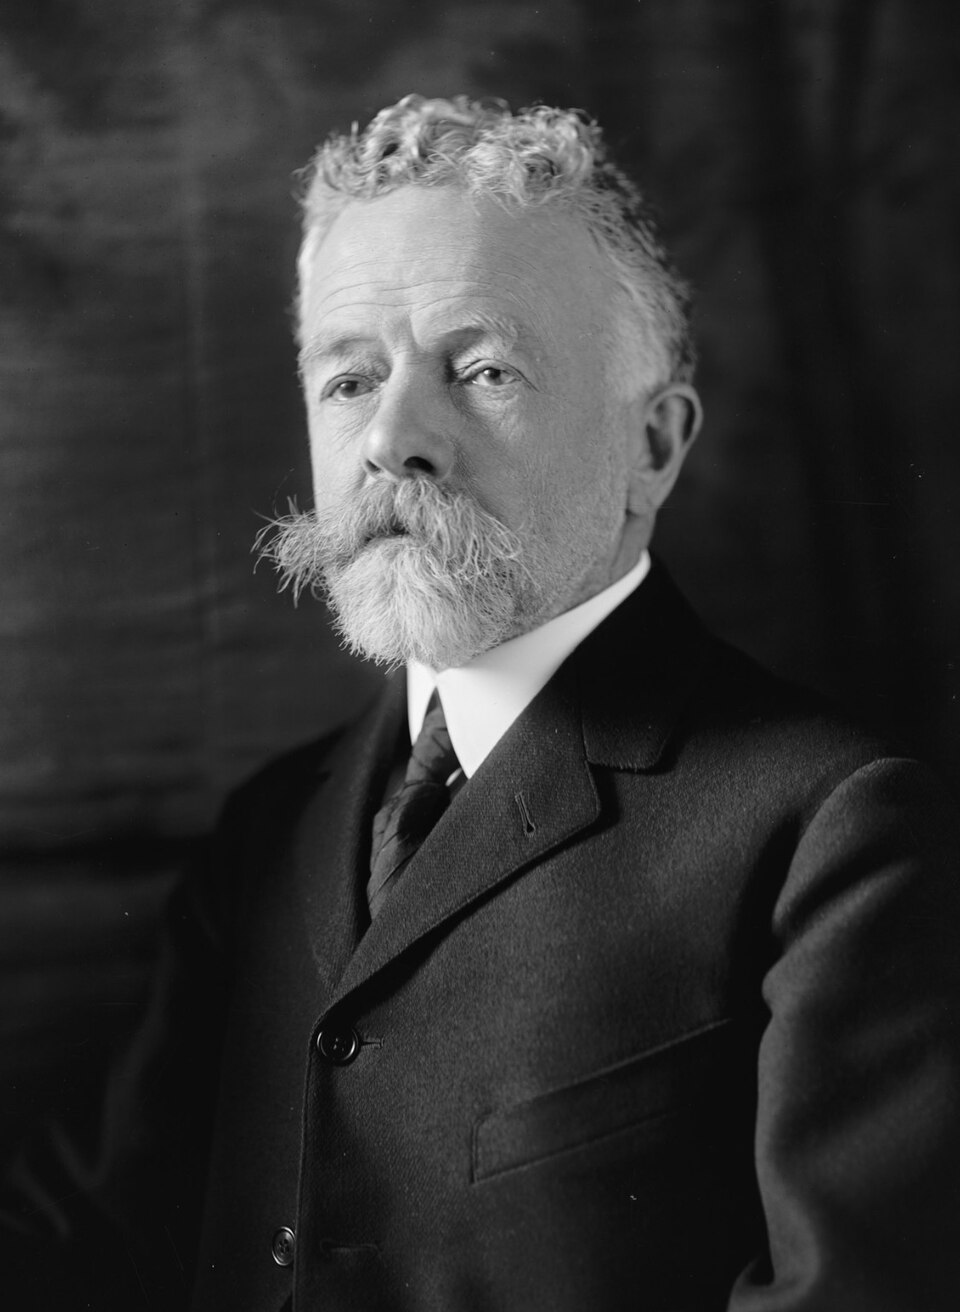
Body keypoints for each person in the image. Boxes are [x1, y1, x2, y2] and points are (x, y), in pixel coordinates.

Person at [4, 94, 960, 1311]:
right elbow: (89, 1234)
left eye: (484, 368)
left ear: (654, 447)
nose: (393, 438)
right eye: (350, 379)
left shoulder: (836, 833)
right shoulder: (271, 828)